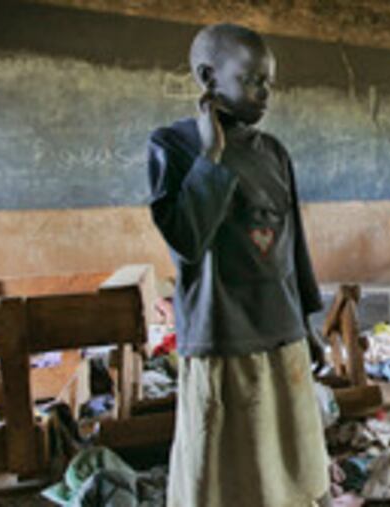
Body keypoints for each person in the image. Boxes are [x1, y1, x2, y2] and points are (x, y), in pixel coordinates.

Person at [147, 23, 331, 507]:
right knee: (226, 480)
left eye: (269, 82)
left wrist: (307, 320)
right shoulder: (174, 146)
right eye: (253, 79)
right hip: (221, 335)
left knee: (287, 472)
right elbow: (187, 239)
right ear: (209, 78)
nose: (265, 93)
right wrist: (211, 154)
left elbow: (294, 245)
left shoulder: (273, 151)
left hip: (280, 331)